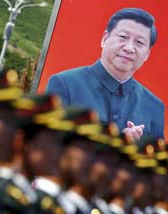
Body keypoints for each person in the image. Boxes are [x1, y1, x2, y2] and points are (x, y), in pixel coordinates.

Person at [46, 8, 164, 140]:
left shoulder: (154, 106)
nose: (129, 48)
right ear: (105, 39)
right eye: (123, 37)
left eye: (139, 43)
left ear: (147, 54)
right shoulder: (65, 84)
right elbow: (49, 144)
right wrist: (117, 143)